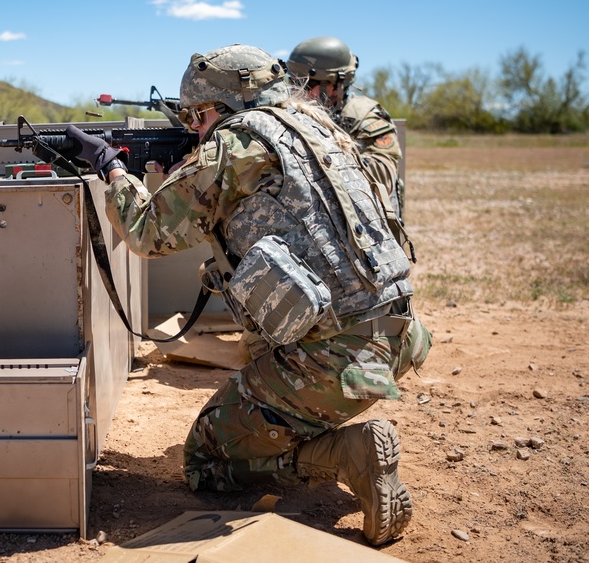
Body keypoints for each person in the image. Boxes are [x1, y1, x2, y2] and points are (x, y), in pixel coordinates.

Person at [65, 44, 432, 546]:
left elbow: (148, 232)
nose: (195, 127)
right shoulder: (321, 128)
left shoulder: (236, 144)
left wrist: (111, 168)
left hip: (336, 359)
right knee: (255, 349)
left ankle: (348, 452)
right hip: (399, 334)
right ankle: (304, 416)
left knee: (204, 460)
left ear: (219, 108)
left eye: (197, 116)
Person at [286, 36, 409, 251]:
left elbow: (383, 173)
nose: (300, 91)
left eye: (309, 84)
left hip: (369, 232)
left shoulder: (364, 117)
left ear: (337, 84)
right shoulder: (291, 114)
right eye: (294, 82)